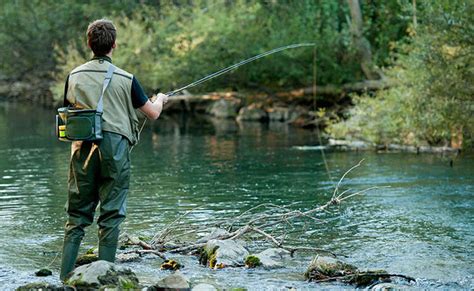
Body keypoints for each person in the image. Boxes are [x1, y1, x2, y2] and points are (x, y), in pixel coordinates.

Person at [59, 19, 168, 281]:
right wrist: (161, 98)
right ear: (114, 45)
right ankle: (104, 280)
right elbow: (152, 114)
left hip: (81, 149)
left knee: (76, 216)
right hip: (115, 148)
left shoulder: (73, 75)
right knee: (111, 214)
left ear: (89, 44)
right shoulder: (126, 78)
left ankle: (64, 280)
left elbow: (69, 112)